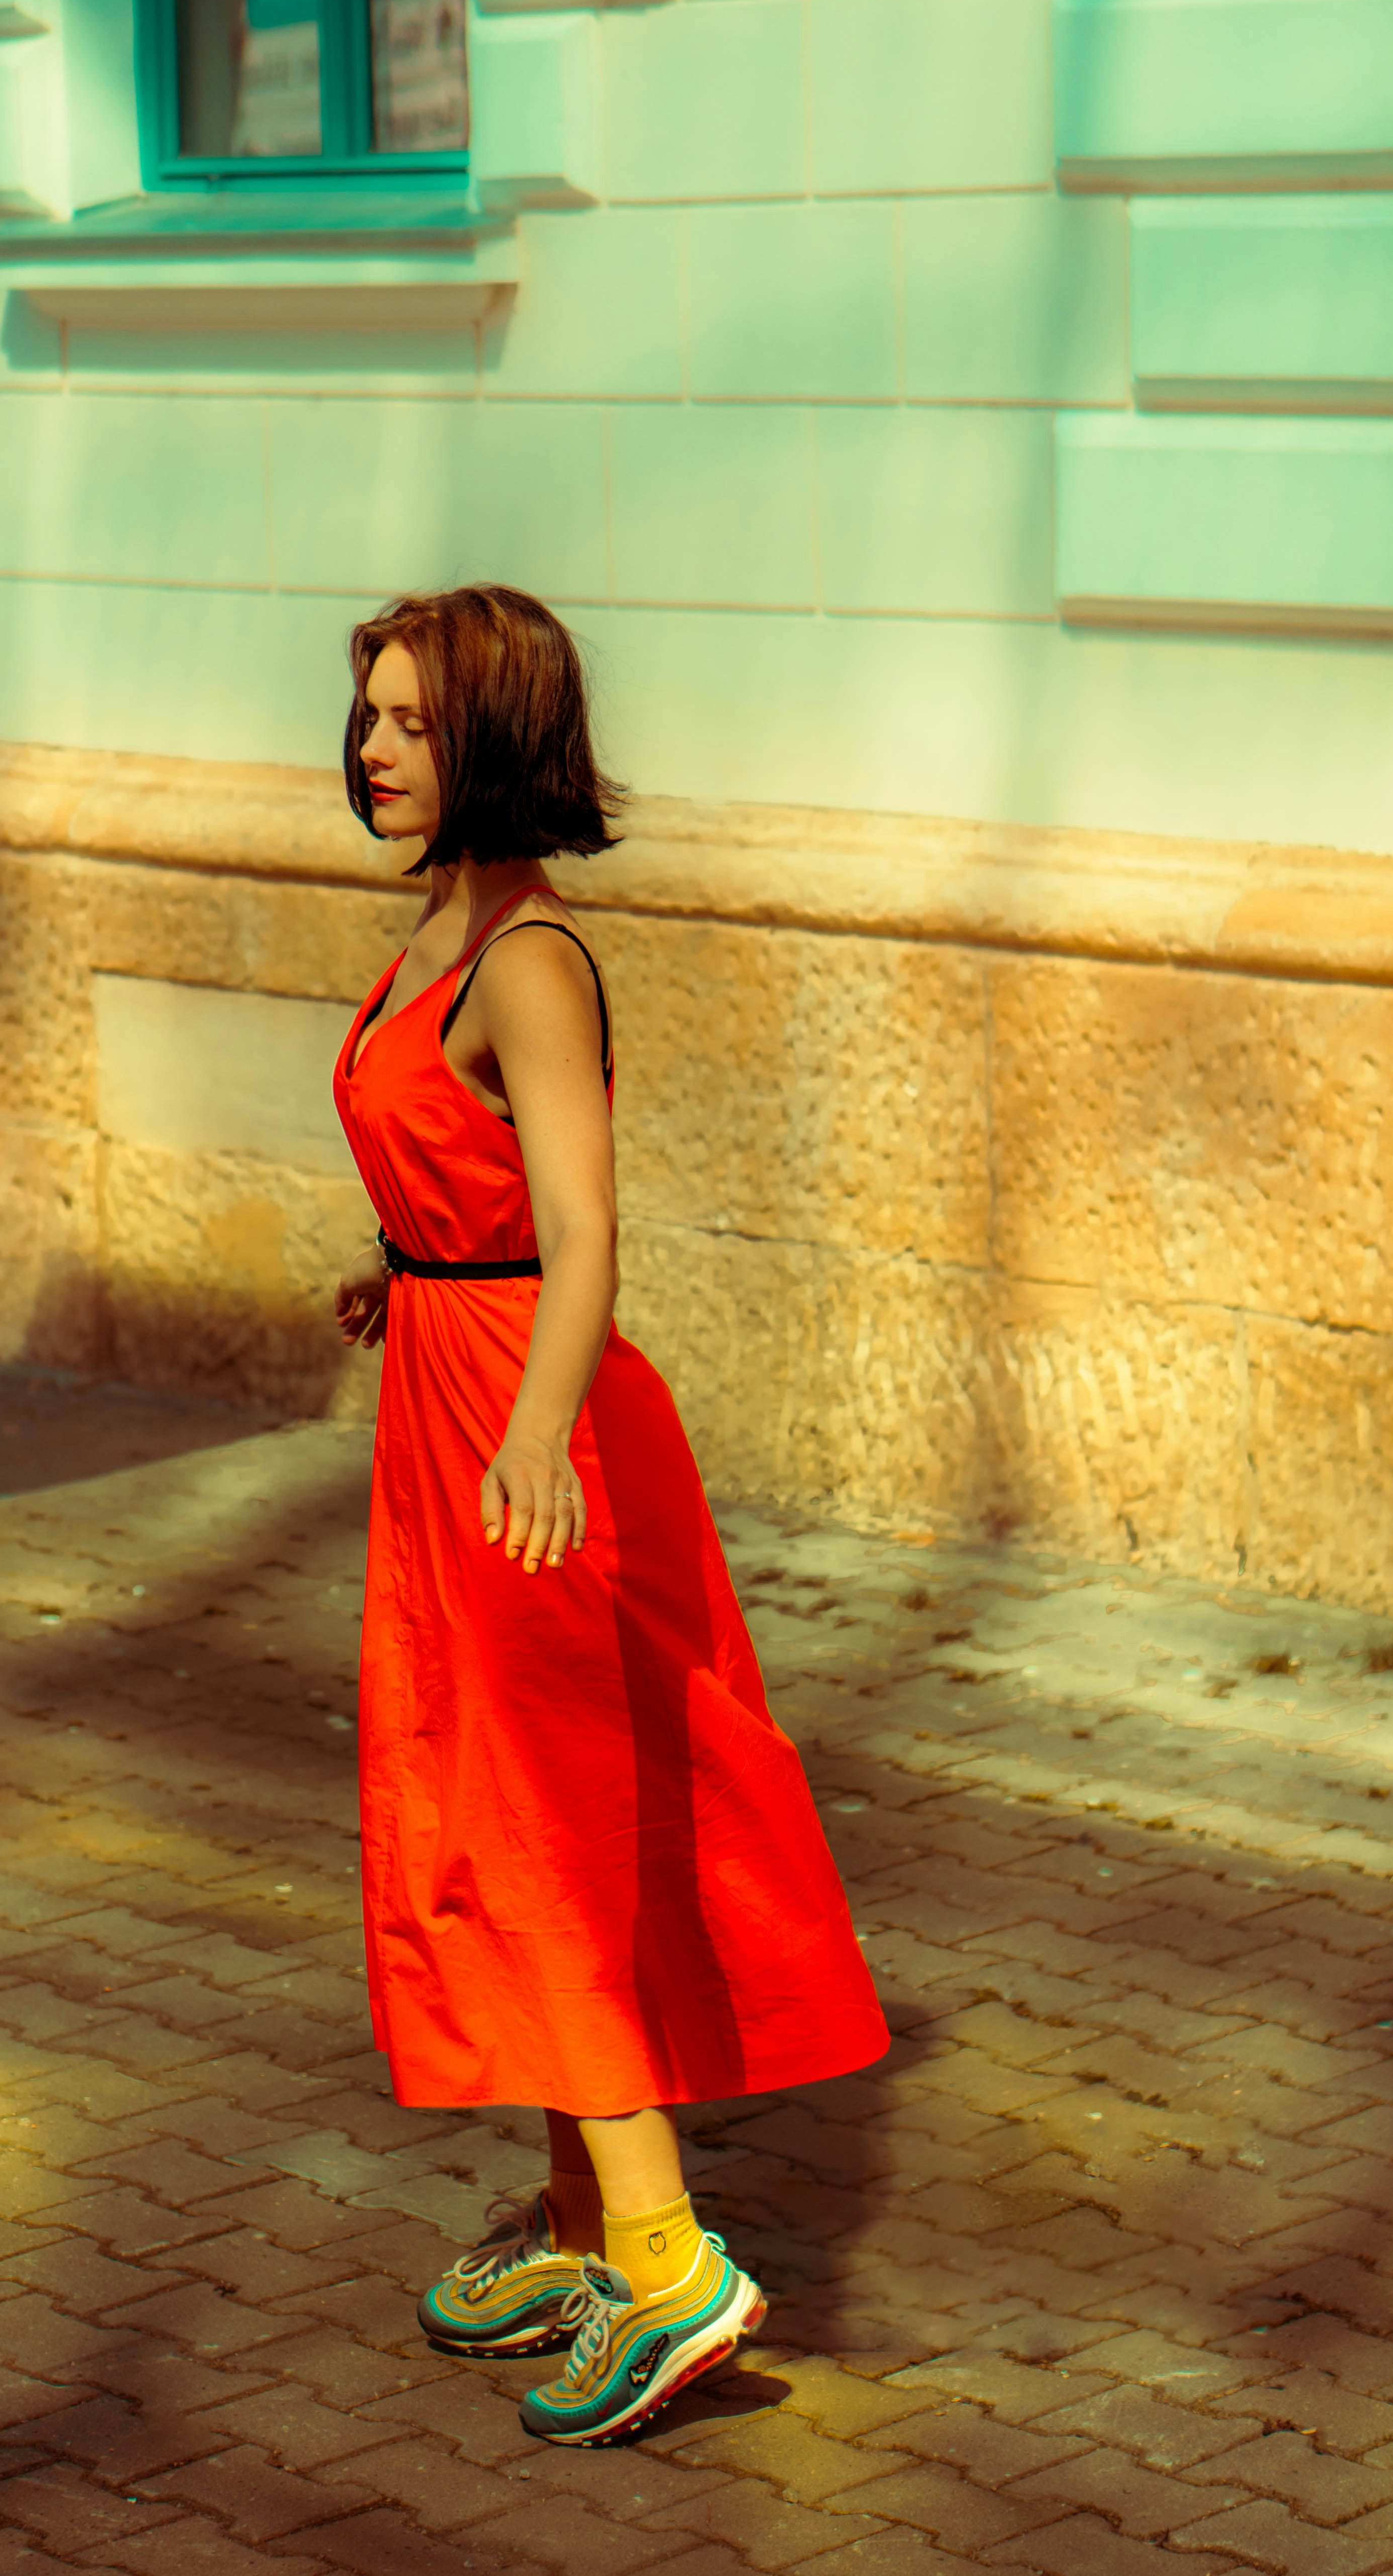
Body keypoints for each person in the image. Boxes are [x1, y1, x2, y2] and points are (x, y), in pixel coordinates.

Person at [331, 584, 887, 2447]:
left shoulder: (533, 957)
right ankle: (578, 2225)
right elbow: (476, 1194)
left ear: (495, 734)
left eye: (410, 720)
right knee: (488, 1805)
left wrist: (543, 1432)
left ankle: (663, 2262)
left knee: (537, 1827)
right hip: (453, 1384)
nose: (375, 747)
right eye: (371, 717)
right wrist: (399, 1267)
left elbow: (582, 1235)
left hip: (521, 1431)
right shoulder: (439, 928)